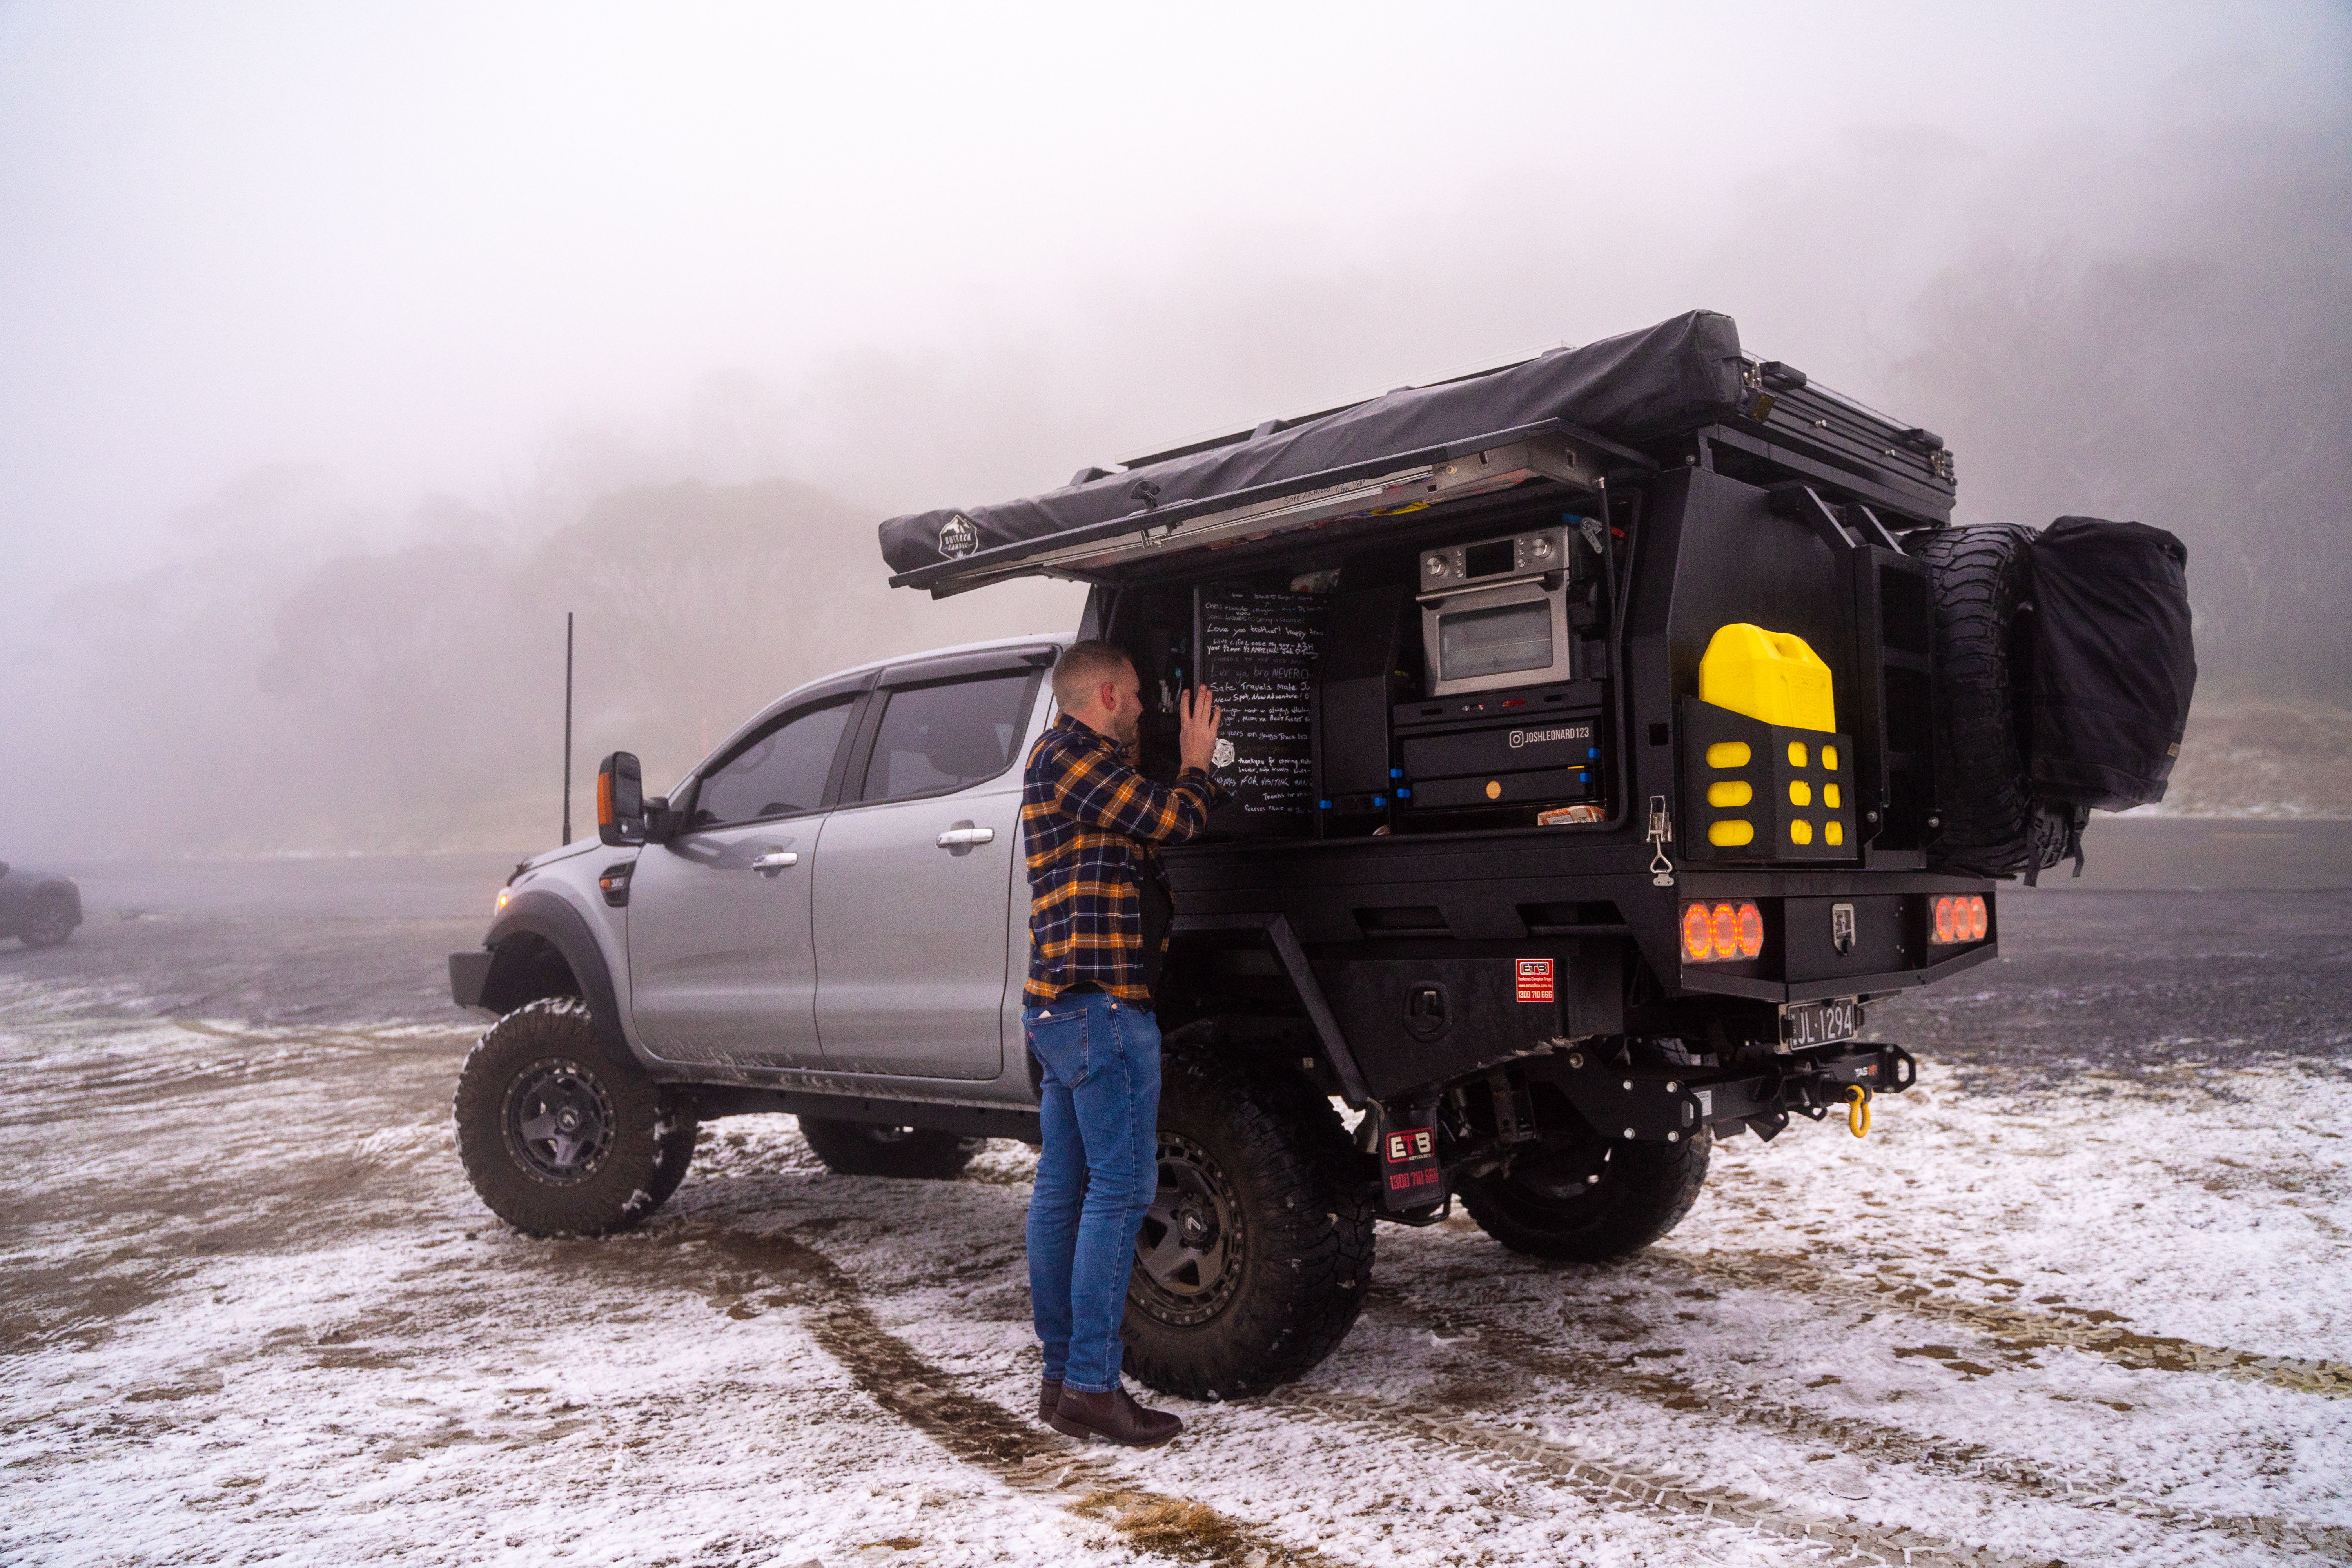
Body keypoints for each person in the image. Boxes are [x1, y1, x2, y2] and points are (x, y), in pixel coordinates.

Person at [1020, 639, 1224, 1447]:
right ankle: (1094, 1389)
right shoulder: (1070, 758)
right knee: (1119, 1189)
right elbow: (1173, 818)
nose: (1145, 706)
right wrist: (1198, 758)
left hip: (1067, 1011)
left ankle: (1064, 1377)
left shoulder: (1066, 762)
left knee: (1064, 1189)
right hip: (1099, 1010)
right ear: (1104, 695)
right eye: (1136, 694)